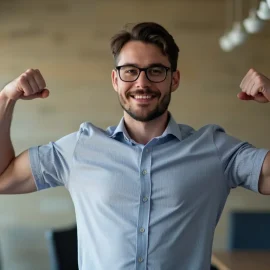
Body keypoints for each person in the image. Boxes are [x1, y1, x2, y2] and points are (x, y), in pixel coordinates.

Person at [0, 22, 270, 270]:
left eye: (155, 71)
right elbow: (3, 179)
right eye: (130, 71)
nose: (142, 82)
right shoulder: (79, 149)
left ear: (173, 80)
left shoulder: (214, 150)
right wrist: (5, 99)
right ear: (116, 80)